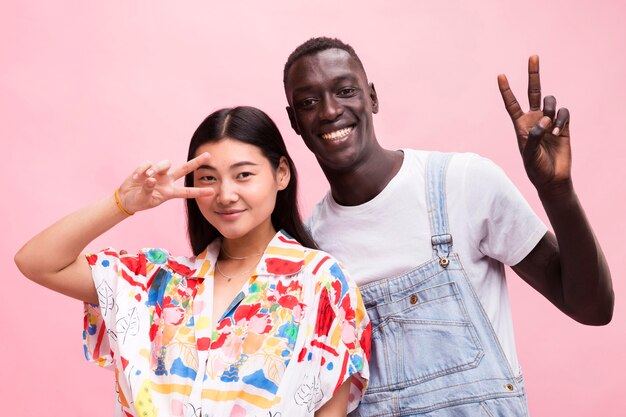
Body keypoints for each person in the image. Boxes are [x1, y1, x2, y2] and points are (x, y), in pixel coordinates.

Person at [282, 37, 614, 416]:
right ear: (294, 121)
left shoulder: (462, 182)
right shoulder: (310, 254)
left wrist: (557, 191)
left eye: (345, 91)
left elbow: (592, 308)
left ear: (372, 98)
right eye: (308, 102)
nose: (329, 111)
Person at [15, 106, 370, 417]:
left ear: (281, 174)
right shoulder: (155, 282)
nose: (225, 195)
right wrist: (123, 203)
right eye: (208, 179)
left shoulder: (320, 282)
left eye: (243, 174)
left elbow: (329, 408)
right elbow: (37, 262)